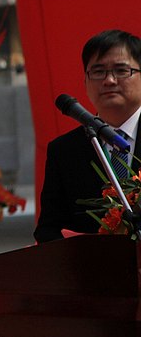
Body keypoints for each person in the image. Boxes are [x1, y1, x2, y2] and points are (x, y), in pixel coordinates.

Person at [35, 29, 141, 243]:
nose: (109, 80)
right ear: (85, 81)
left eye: (121, 70)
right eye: (98, 72)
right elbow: (48, 230)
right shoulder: (64, 151)